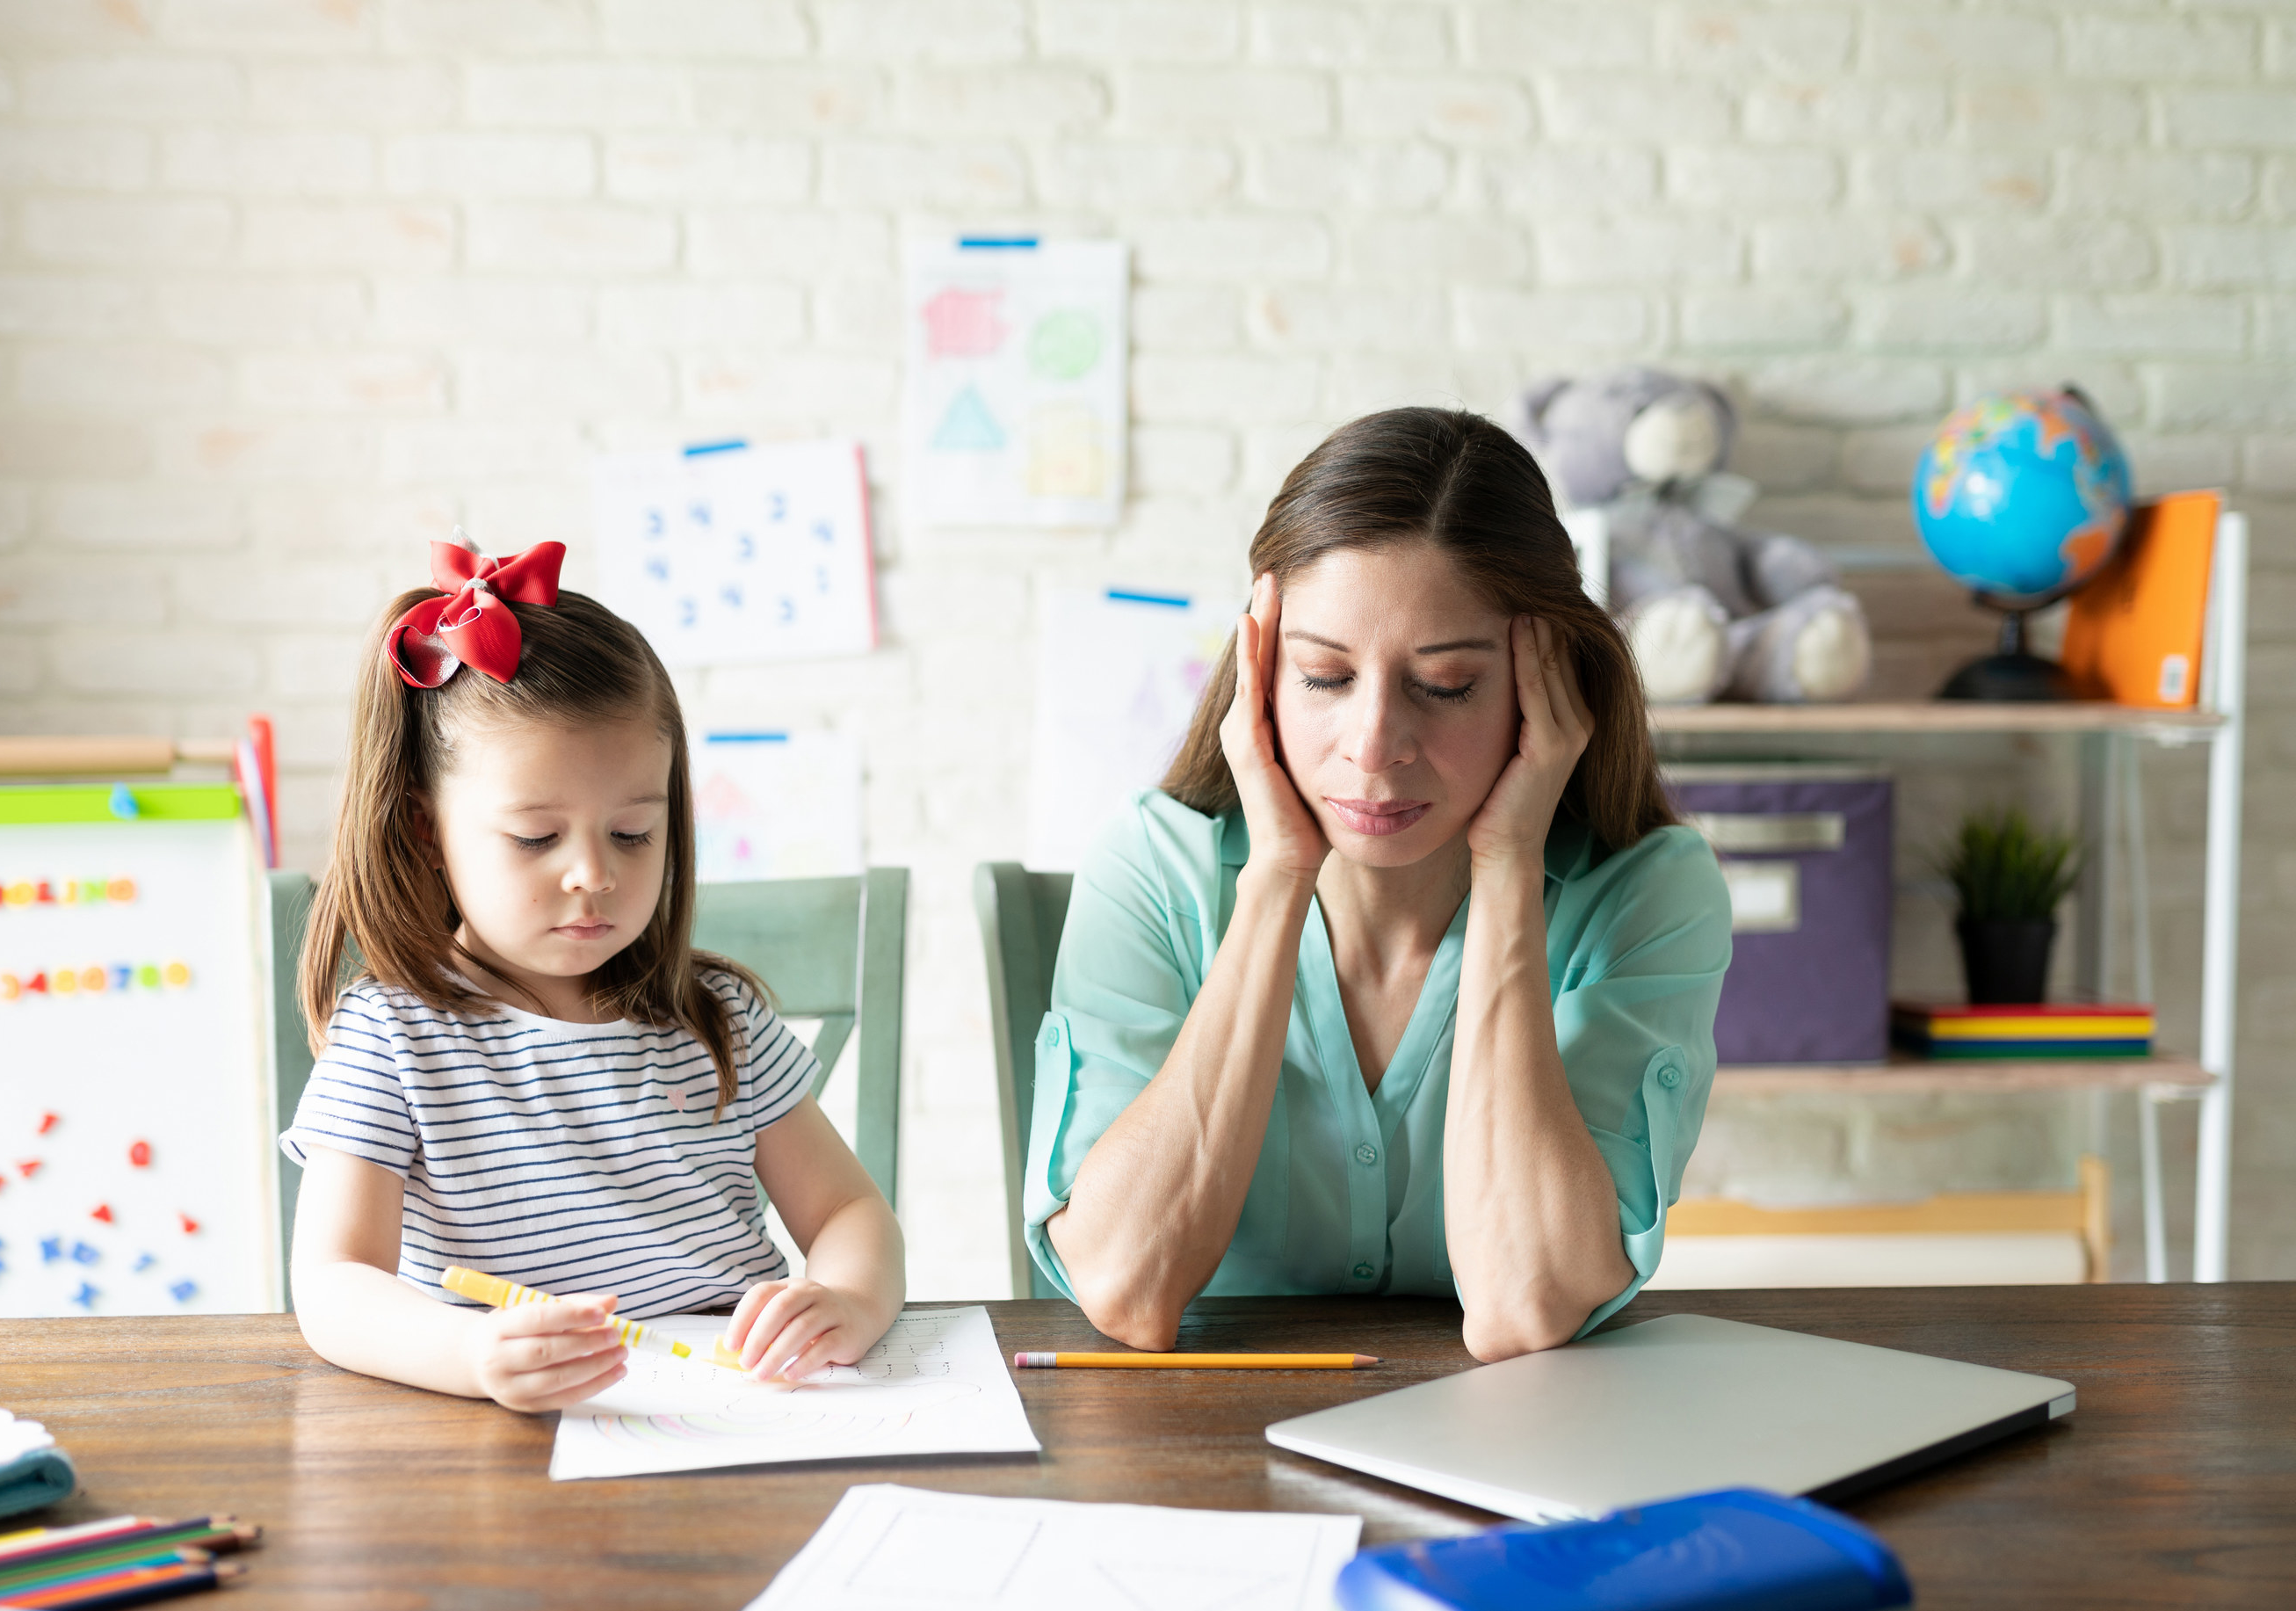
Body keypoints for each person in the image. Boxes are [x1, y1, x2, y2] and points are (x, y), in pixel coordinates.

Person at [1025, 409, 1730, 1362]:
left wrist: (1510, 862)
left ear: (1546, 680)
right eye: (1323, 676)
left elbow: (1526, 1305)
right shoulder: (1153, 869)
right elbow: (1125, 1285)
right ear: (1261, 669)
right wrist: (1277, 877)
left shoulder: (1648, 895)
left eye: (1443, 686)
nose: (1373, 746)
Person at [286, 535, 904, 1411]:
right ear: (429, 832)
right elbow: (334, 1282)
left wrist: (844, 1297)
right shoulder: (395, 1036)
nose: (595, 875)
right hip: (502, 1444)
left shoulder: (716, 1018)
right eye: (537, 838)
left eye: (632, 833)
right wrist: (469, 1354)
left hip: (739, 1423)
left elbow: (851, 1214)